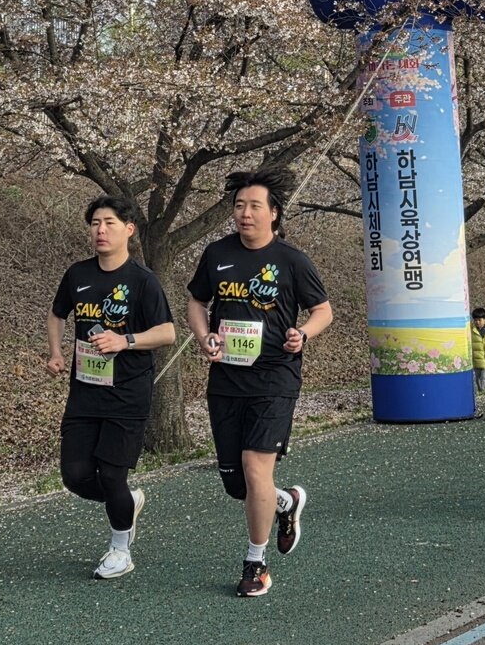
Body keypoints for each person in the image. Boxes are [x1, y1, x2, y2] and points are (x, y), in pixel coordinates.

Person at [188, 169, 334, 597]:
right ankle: (286, 502)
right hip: (227, 378)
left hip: (275, 377)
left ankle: (256, 563)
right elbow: (197, 301)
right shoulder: (216, 255)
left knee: (255, 469)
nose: (244, 214)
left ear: (274, 213)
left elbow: (323, 310)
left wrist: (303, 332)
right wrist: (203, 336)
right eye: (238, 206)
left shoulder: (292, 260)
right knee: (239, 484)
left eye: (254, 206)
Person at [47, 196, 177, 579]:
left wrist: (126, 341)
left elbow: (168, 332)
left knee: (112, 474)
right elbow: (57, 314)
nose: (100, 230)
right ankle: (126, 502)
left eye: (109, 223)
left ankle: (120, 550)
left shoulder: (142, 281)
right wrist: (56, 353)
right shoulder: (78, 274)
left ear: (128, 229)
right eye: (95, 223)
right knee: (75, 474)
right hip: (85, 390)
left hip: (128, 393)